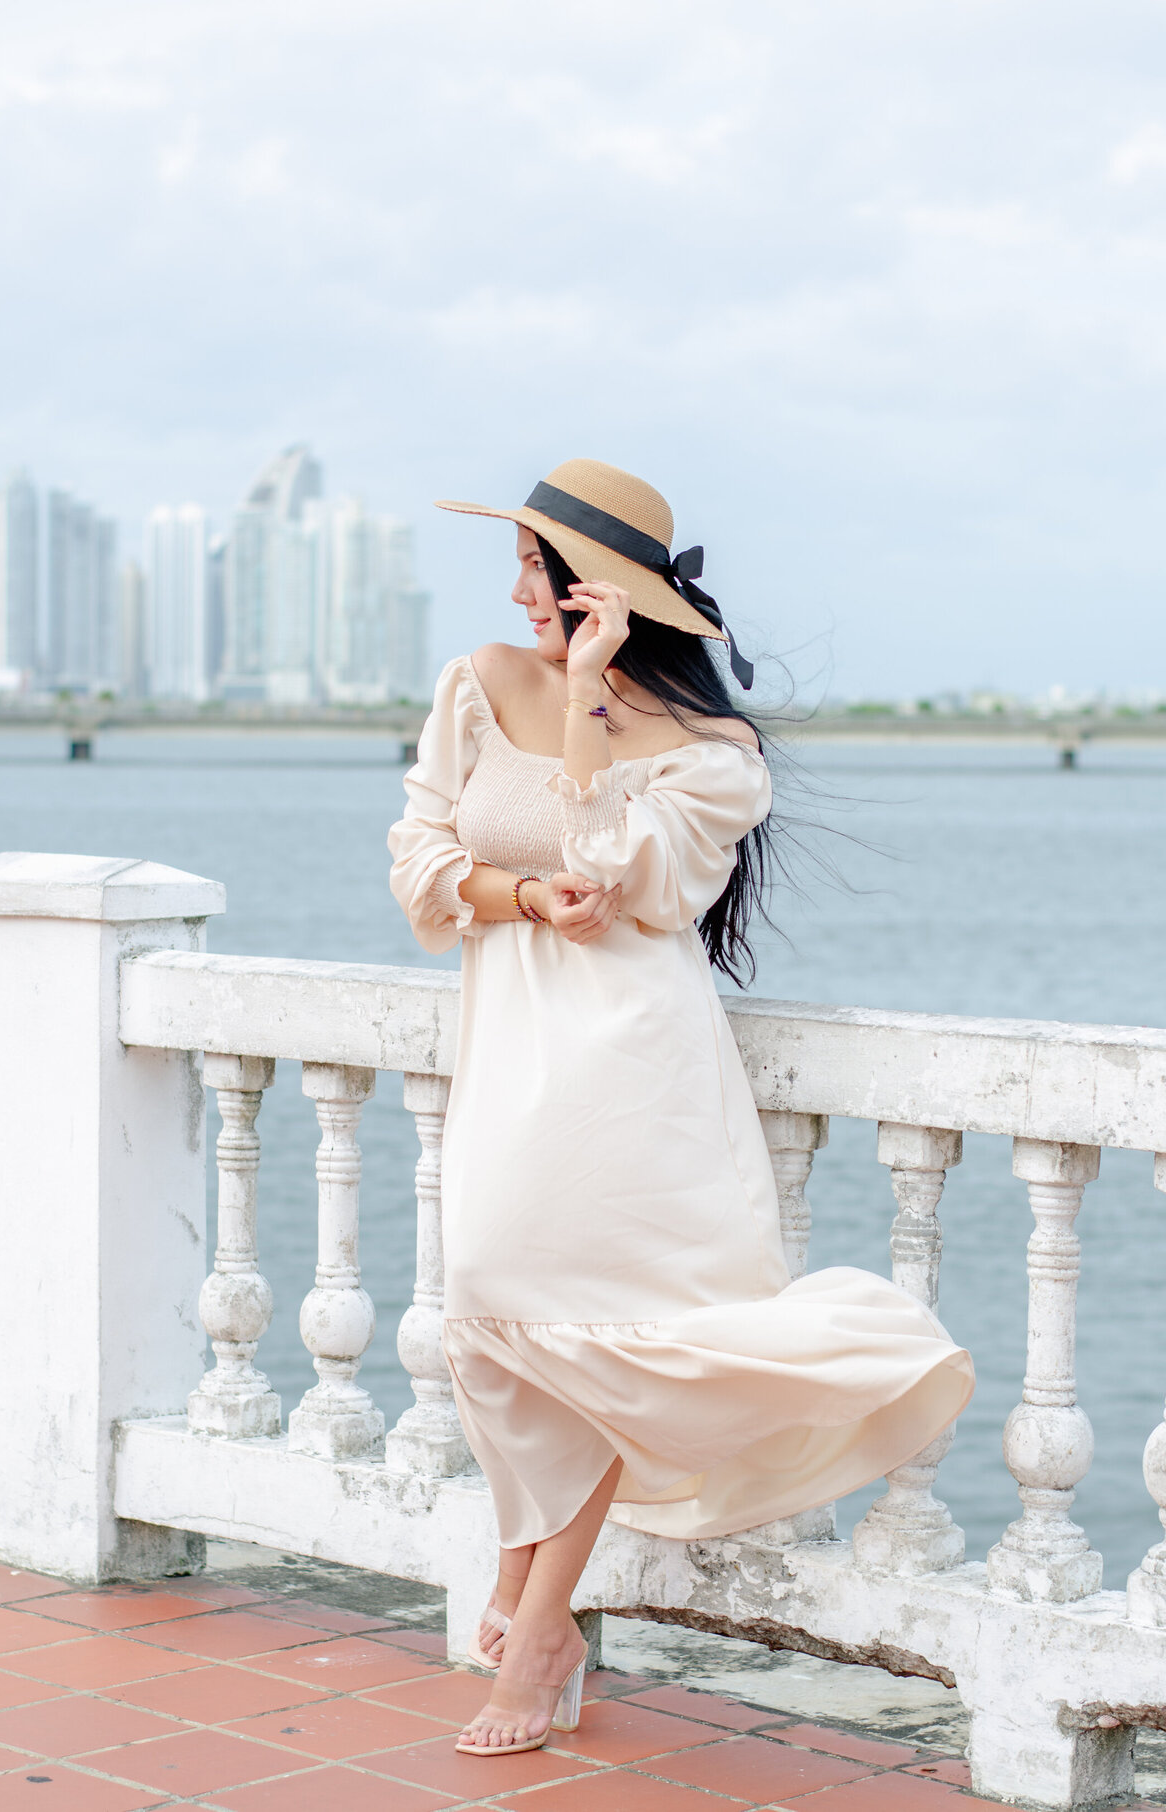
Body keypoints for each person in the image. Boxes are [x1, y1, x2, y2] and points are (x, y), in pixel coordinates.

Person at [388, 458, 974, 1758]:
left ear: (604, 590)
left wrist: (591, 698)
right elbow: (424, 861)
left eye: (537, 569)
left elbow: (638, 886)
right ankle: (533, 1584)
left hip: (634, 1067)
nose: (517, 593)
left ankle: (540, 1626)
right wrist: (521, 899)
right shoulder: (479, 683)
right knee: (490, 1309)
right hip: (515, 1040)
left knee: (599, 1333)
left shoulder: (719, 755)